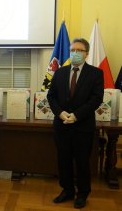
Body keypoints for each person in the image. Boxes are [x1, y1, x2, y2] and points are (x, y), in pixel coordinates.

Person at [47, 38, 104, 209]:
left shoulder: (96, 73)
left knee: (82, 161)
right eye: (73, 50)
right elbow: (51, 96)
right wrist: (60, 113)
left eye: (79, 50)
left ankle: (83, 193)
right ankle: (67, 190)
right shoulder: (60, 72)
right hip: (61, 125)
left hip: (83, 126)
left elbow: (96, 99)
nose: (75, 53)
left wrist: (77, 115)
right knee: (63, 160)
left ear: (86, 54)